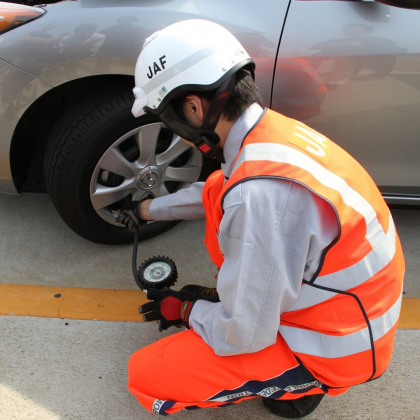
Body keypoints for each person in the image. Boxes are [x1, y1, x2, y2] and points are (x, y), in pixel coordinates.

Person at [119, 19, 405, 418]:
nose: (178, 133)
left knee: (148, 374)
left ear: (194, 107)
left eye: (171, 121)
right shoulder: (270, 135)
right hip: (353, 304)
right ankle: (262, 320)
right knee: (221, 188)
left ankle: (303, 386)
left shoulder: (259, 196)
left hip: (342, 345)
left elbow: (245, 334)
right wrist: (146, 210)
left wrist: (187, 311)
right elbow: (214, 193)